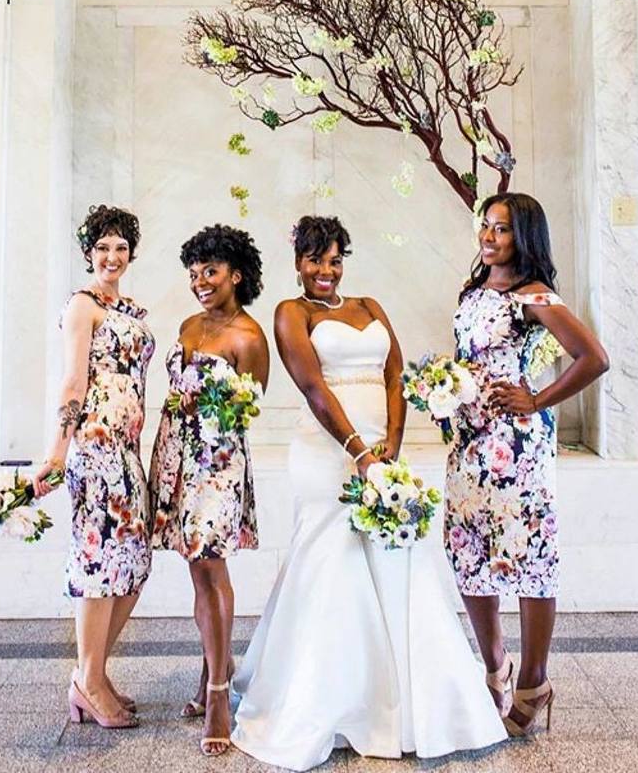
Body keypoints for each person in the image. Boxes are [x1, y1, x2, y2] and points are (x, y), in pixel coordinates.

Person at [231, 215, 505, 771]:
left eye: (334, 260)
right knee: (333, 564)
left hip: (383, 453)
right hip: (328, 454)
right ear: (298, 263)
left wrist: (392, 447)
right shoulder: (292, 313)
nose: (326, 271)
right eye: (315, 260)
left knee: (397, 563)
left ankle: (406, 701)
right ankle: (333, 700)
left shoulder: (370, 306)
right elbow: (313, 386)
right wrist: (358, 451)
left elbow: (395, 374)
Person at [447, 192, 609, 735]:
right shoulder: (473, 291)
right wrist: (443, 392)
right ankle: (495, 667)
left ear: (523, 237)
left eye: (501, 229)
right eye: (486, 226)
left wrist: (536, 400)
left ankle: (535, 680)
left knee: (528, 556)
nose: (488, 237)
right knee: (469, 552)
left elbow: (594, 358)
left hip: (516, 447)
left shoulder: (534, 295)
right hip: (469, 442)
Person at [148, 224, 269, 757]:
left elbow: (249, 407)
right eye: (194, 273)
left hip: (217, 463)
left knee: (211, 566)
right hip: (175, 453)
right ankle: (213, 668)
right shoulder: (188, 325)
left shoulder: (250, 337)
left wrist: (213, 407)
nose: (200, 282)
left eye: (211, 272)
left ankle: (219, 692)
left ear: (236, 275)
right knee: (195, 568)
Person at [33, 204, 155, 729]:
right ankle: (89, 681)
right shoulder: (82, 306)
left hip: (127, 452)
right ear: (88, 252)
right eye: (102, 247)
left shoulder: (130, 310)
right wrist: (57, 454)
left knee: (132, 564)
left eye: (121, 247)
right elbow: (73, 382)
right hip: (96, 450)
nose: (112, 256)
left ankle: (94, 675)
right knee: (100, 564)